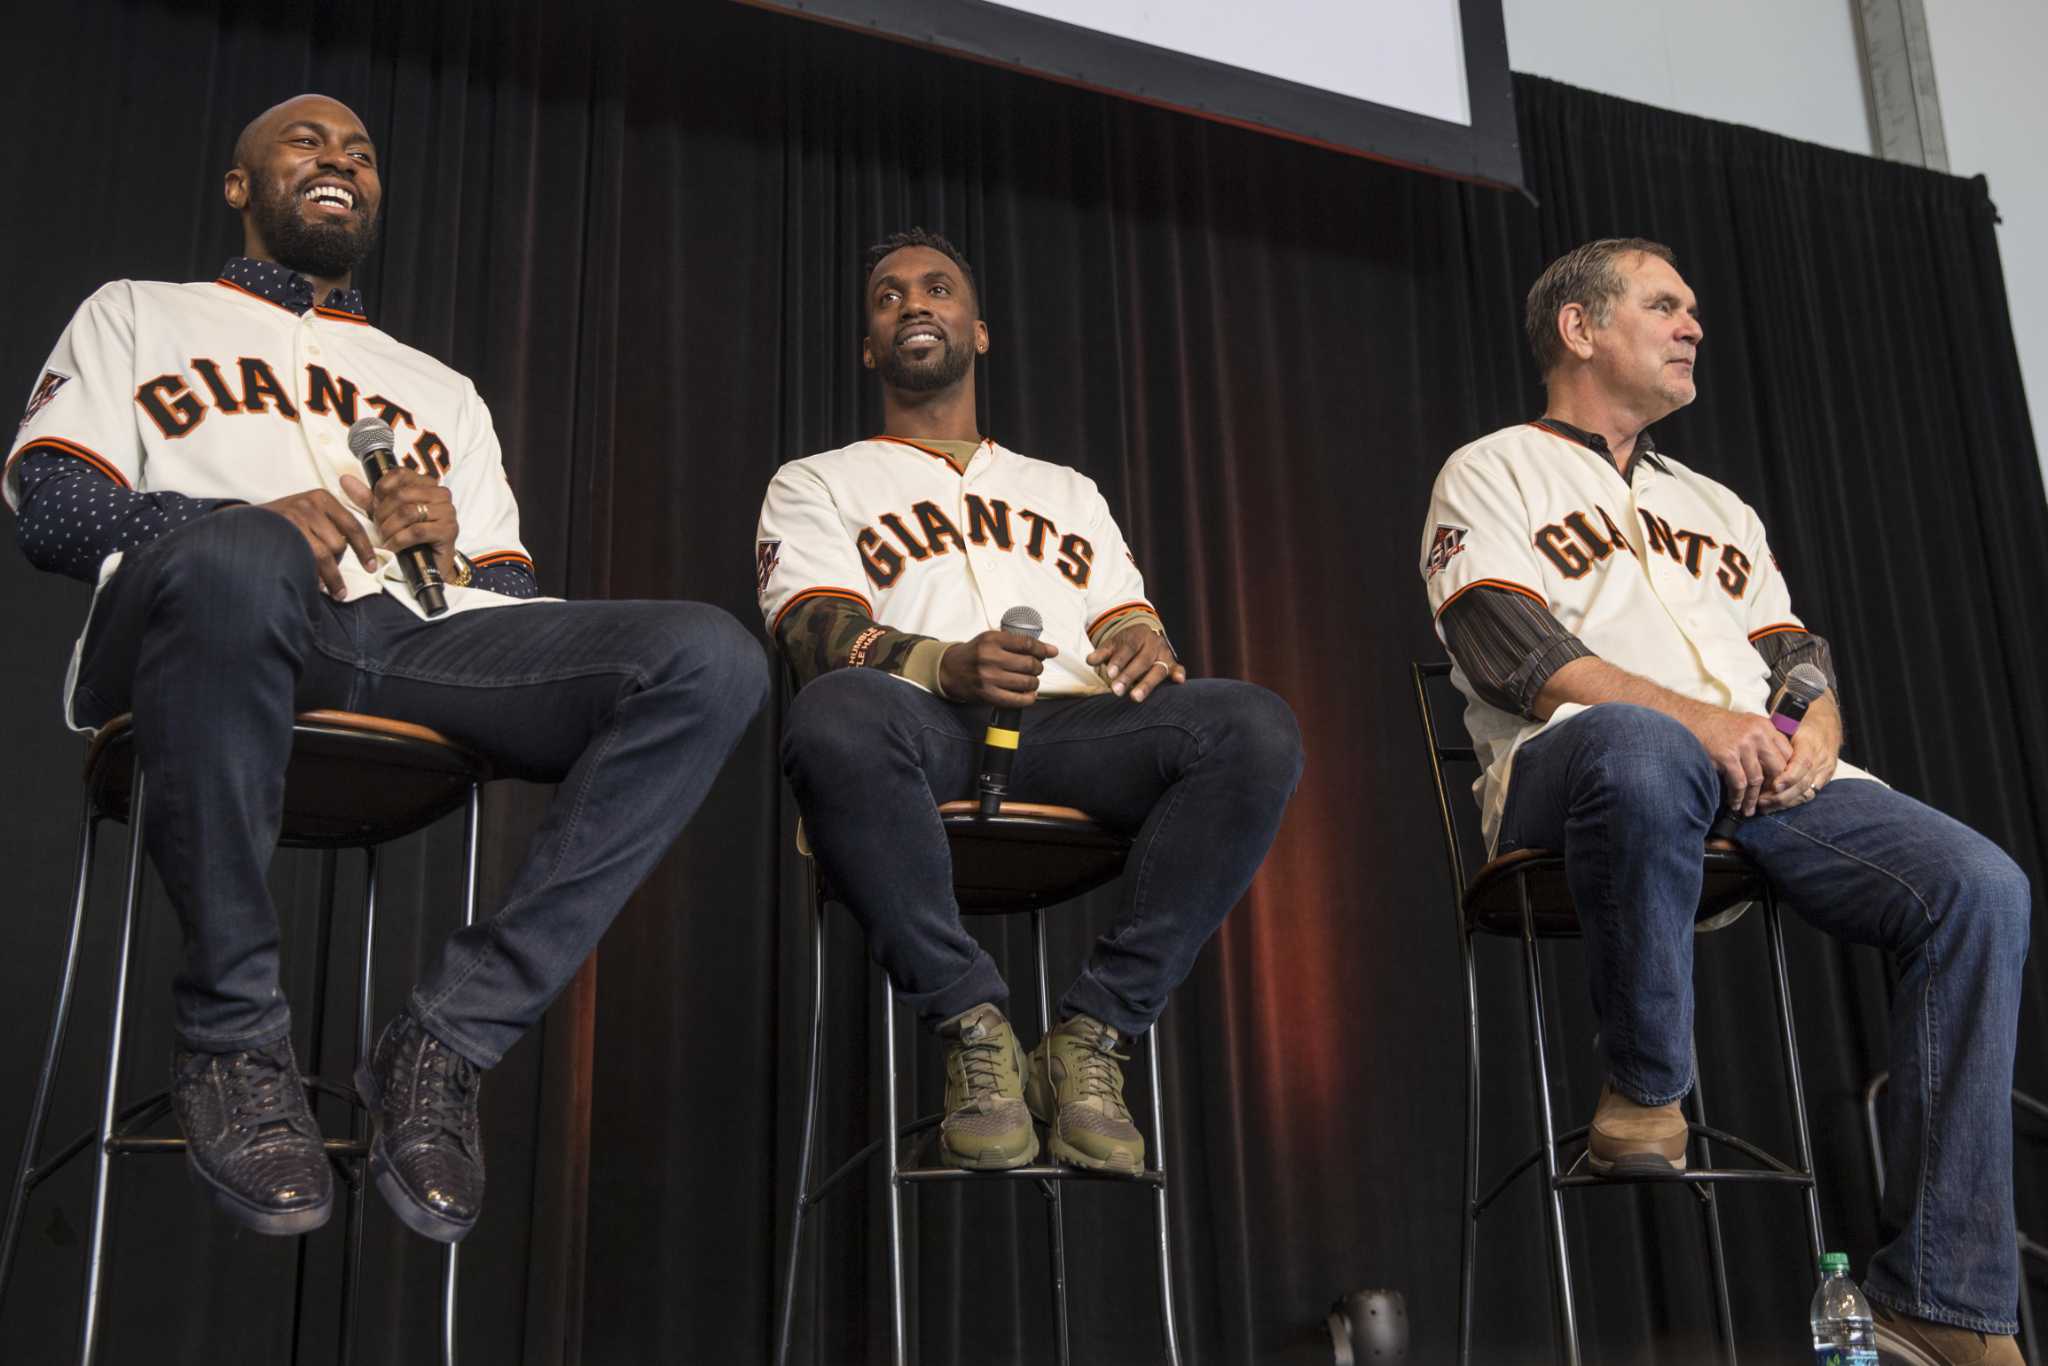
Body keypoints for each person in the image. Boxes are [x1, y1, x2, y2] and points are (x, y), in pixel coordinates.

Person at [4, 94, 766, 1244]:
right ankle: (233, 1037)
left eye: (360, 151)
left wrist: (448, 546)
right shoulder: (137, 314)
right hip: (196, 629)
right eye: (306, 143)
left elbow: (509, 605)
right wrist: (243, 516)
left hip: (398, 644)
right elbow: (53, 510)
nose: (340, 161)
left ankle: (446, 1041)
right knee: (245, 555)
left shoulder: (437, 386)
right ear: (240, 184)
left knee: (708, 657)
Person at [1419, 237, 2030, 1364]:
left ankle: (1940, 1292)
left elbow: (1793, 654)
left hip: (1763, 782)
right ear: (1578, 328)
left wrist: (1816, 732)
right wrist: (1707, 724)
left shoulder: (1714, 502)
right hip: (1576, 772)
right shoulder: (1490, 468)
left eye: (1691, 306)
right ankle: (1645, 1083)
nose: (1692, 323)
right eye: (1663, 304)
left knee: (1978, 884)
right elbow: (1511, 651)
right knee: (1644, 745)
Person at [757, 228, 1301, 1174]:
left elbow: (1130, 616)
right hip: (915, 733)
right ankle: (974, 1028)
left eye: (937, 290)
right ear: (868, 346)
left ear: (980, 331)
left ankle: (1094, 1035)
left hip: (1067, 732)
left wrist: (1147, 643)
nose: (914, 304)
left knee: (1252, 723)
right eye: (889, 297)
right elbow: (809, 629)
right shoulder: (817, 480)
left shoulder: (1066, 490)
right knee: (834, 710)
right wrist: (941, 665)